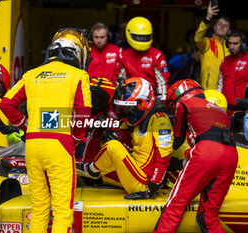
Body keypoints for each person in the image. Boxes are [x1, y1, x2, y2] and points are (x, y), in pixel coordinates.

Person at [0, 28, 91, 233]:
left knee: (39, 208)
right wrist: (77, 137)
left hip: (32, 146)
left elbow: (6, 104)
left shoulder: (31, 75)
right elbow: (83, 111)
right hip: (60, 147)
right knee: (62, 211)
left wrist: (26, 125)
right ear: (77, 53)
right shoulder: (79, 75)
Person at [154, 79, 238, 233]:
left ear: (178, 96)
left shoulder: (184, 104)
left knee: (175, 205)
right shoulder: (221, 111)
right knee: (208, 217)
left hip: (206, 153)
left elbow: (177, 141)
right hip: (231, 156)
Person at [77, 77, 173, 199]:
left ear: (142, 103)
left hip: (144, 181)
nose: (125, 113)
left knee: (113, 146)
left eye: (128, 109)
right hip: (136, 169)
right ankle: (89, 171)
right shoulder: (142, 119)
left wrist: (152, 187)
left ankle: (90, 169)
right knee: (89, 176)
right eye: (122, 109)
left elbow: (163, 157)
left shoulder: (160, 120)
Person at [121, 16, 170, 101]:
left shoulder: (157, 55)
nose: (142, 39)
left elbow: (163, 83)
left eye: (145, 37)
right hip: (130, 98)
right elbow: (119, 82)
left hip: (152, 99)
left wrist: (162, 102)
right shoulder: (123, 56)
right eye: (139, 37)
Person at [194, 1, 231, 90]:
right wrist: (207, 18)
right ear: (214, 27)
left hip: (227, 91)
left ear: (229, 31)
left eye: (225, 26)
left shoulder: (232, 47)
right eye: (219, 24)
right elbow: (197, 38)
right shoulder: (207, 43)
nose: (222, 27)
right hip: (209, 91)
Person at [217, 30, 248, 116]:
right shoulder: (225, 60)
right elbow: (220, 85)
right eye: (230, 43)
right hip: (225, 110)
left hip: (244, 111)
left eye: (235, 44)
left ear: (242, 44)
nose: (231, 46)